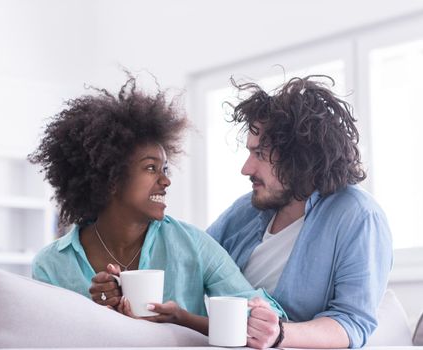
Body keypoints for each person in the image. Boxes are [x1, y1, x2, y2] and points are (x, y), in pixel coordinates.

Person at [29, 74, 285, 345]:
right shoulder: (51, 265)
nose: (166, 181)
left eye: (165, 169)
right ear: (111, 177)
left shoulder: (192, 245)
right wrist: (97, 314)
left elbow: (264, 317)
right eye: (151, 168)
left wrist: (181, 319)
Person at [207, 75, 393, 348]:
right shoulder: (246, 210)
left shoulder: (359, 216)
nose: (246, 169)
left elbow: (352, 323)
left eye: (260, 154)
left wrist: (279, 334)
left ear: (301, 158)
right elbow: (193, 260)